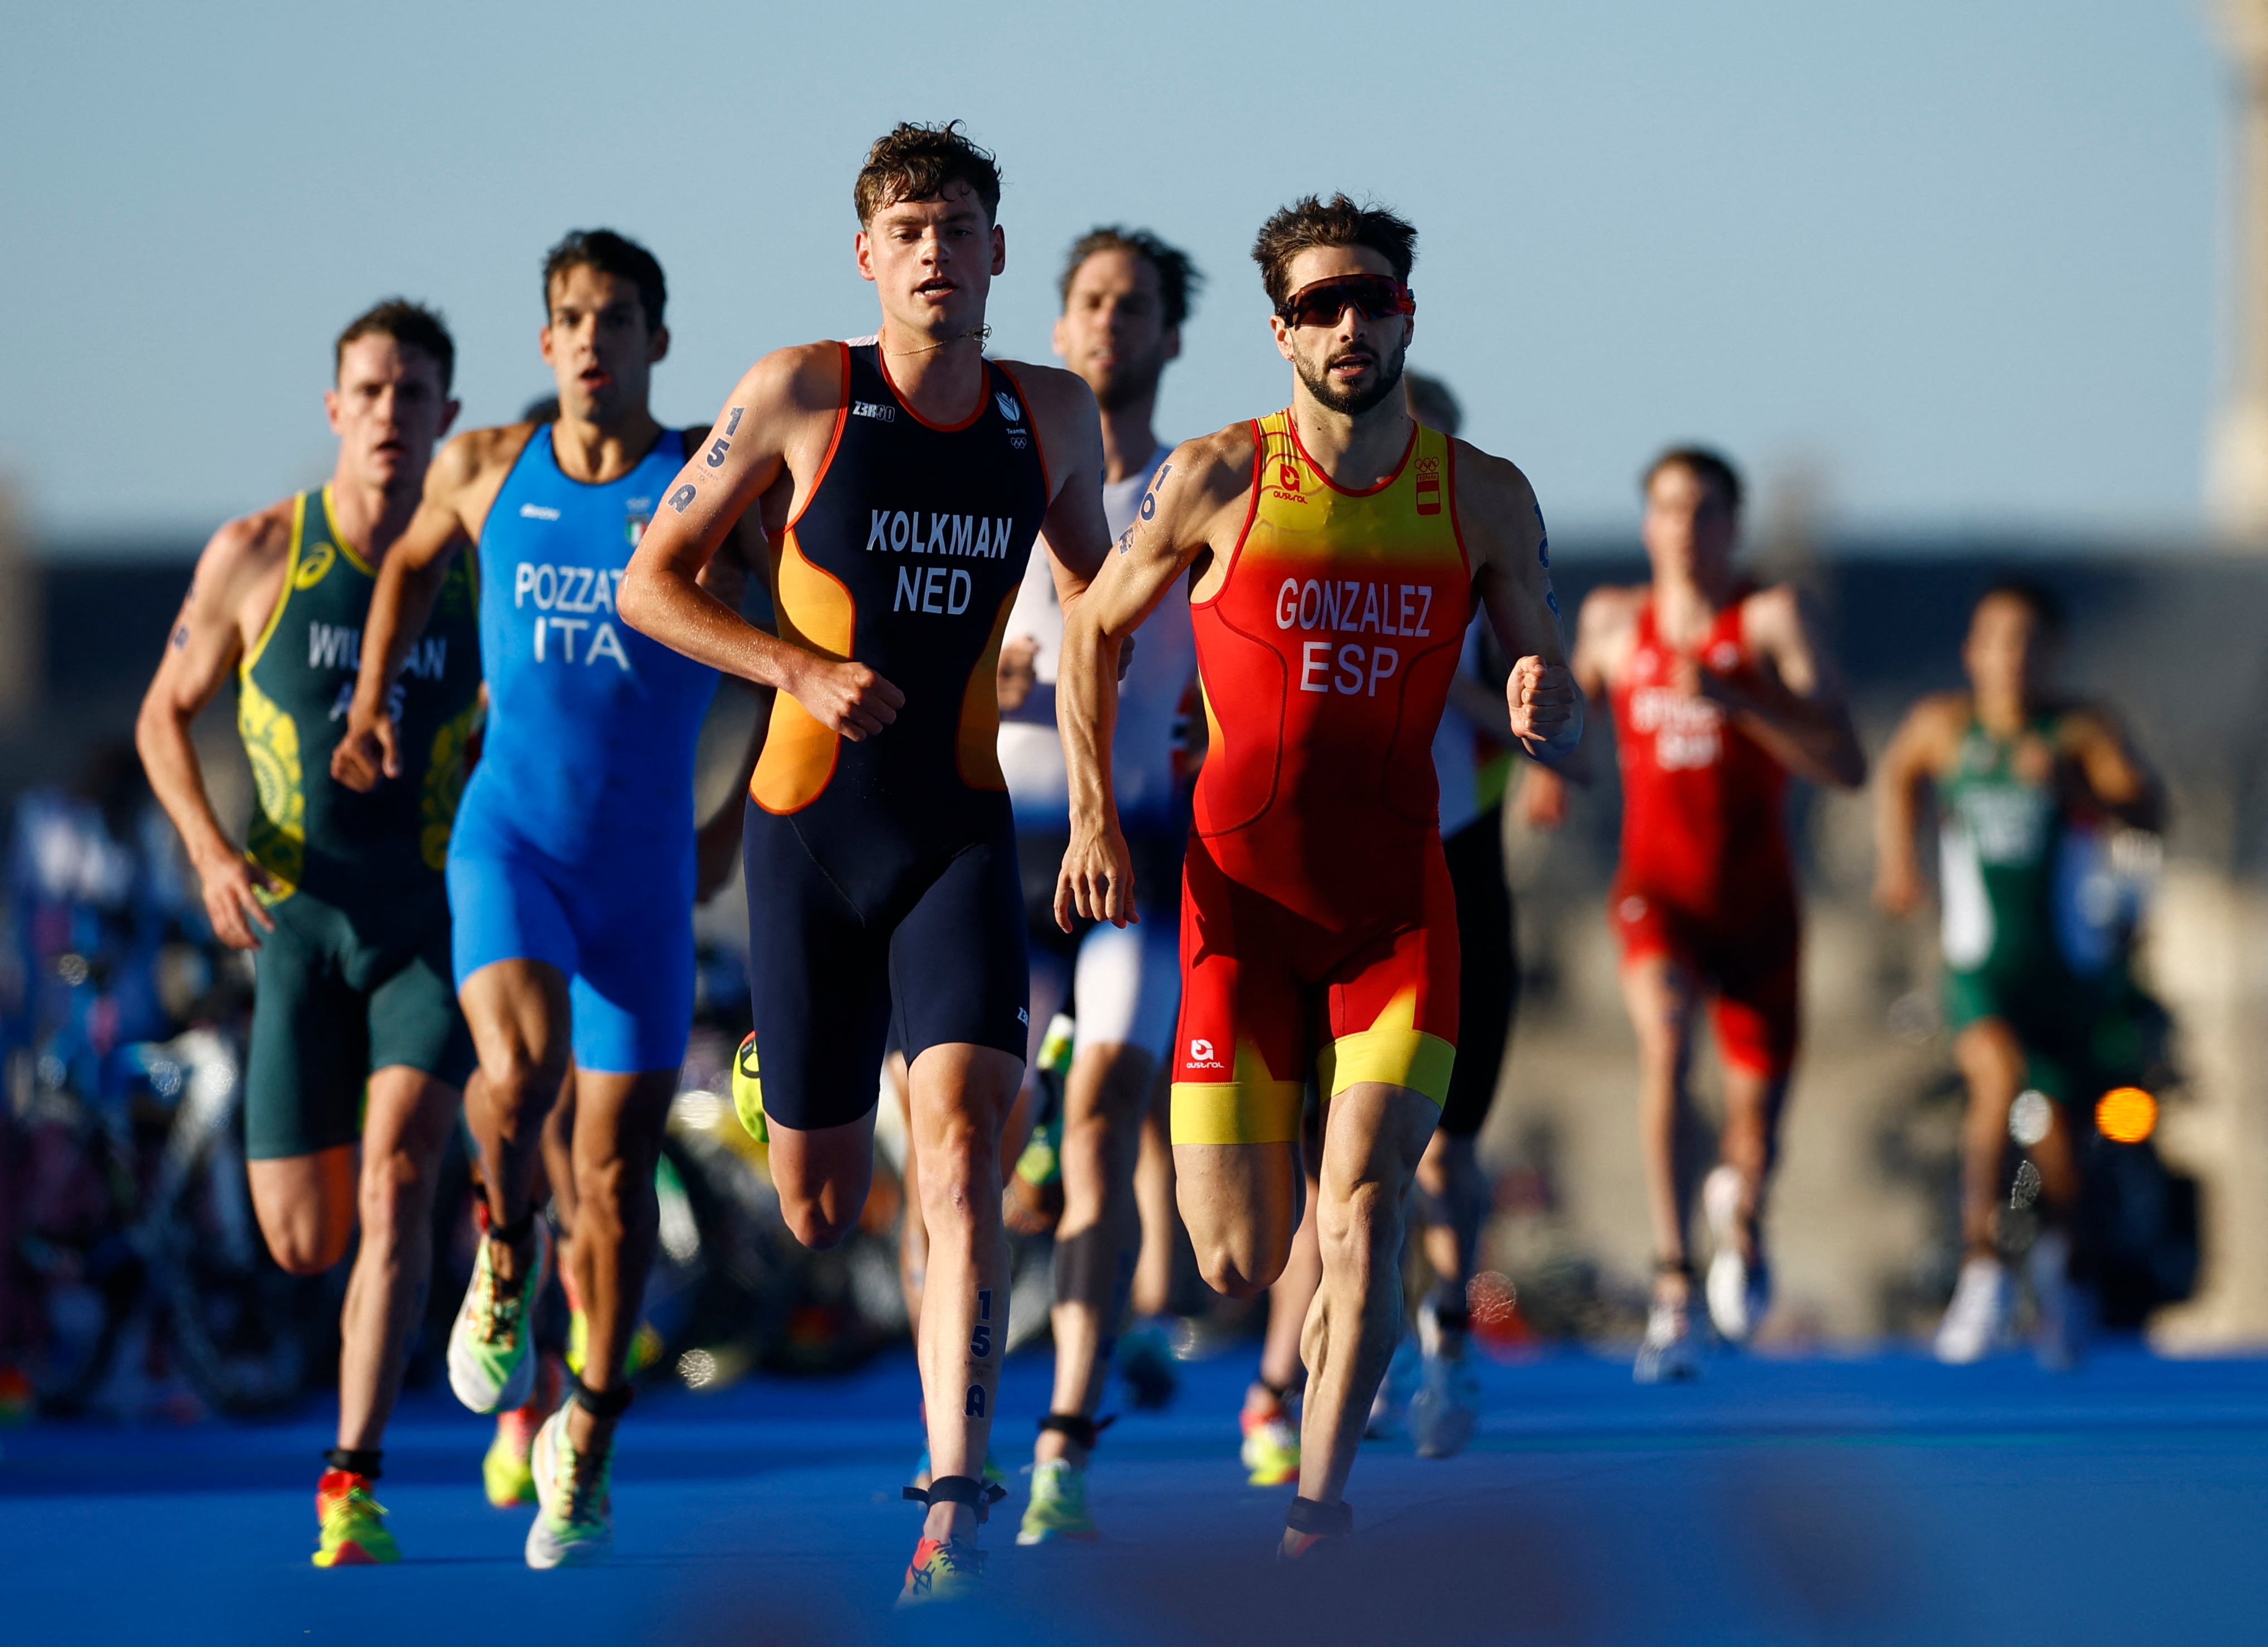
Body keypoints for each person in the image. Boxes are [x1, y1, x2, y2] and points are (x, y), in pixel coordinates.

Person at [615, 123, 1113, 1603]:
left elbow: (1101, 609)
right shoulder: (799, 393)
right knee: (825, 1204)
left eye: (960, 226)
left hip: (960, 831)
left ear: (998, 253)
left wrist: (1092, 788)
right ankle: (787, 1069)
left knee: (957, 1148)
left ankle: (954, 1486)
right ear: (867, 257)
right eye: (908, 228)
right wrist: (794, 666)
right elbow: (653, 585)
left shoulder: (1051, 415)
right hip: (808, 830)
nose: (936, 251)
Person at [1055, 194, 1581, 1558]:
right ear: (1280, 331)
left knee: (1364, 1206)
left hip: (1399, 905)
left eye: (1372, 300)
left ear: (1407, 312)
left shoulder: (1481, 493)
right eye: (1319, 306)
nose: (1349, 325)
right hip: (1238, 907)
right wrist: (1095, 816)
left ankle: (1319, 1510)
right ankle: (1322, 1338)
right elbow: (1089, 631)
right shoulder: (1219, 476)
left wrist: (1540, 695)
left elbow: (1546, 663)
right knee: (1235, 1255)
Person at [332, 233, 758, 1568]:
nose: (590, 341)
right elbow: (403, 564)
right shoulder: (484, 466)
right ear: (544, 343)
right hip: (508, 839)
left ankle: (588, 1425)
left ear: (656, 340)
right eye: (569, 318)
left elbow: (769, 658)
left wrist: (725, 817)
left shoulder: (701, 483)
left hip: (642, 871)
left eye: (616, 318)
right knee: (513, 1078)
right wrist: (371, 708)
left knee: (618, 1178)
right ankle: (501, 1255)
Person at [136, 301, 480, 1566]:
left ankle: (355, 1479)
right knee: (305, 1238)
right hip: (294, 921)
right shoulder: (259, 551)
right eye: (372, 392)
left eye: (416, 395)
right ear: (336, 409)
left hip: (427, 922)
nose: (393, 414)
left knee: (398, 1181)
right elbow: (161, 719)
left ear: (448, 418)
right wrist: (210, 854)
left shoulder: (480, 561)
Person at [1519, 448, 1865, 1383]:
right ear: (1647, 525)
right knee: (1665, 1045)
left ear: (1732, 526)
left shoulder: (1770, 621)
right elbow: (1569, 724)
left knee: (1758, 1134)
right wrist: (1548, 765)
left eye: (1705, 510)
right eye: (1668, 509)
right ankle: (1675, 1282)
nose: (1685, 527)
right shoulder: (1610, 620)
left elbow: (1846, 763)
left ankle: (1742, 1216)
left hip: (1758, 906)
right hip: (1656, 893)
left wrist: (1741, 702)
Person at [992, 225, 1204, 1547]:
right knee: (983, 1129)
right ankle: (957, 1416)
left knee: (1107, 1114)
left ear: (1171, 336)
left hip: (1136, 845)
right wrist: (986, 682)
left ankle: (1065, 1429)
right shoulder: (1000, 477)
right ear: (1059, 326)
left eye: (1134, 307)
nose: (1109, 324)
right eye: (1088, 302)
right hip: (1000, 842)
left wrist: (1217, 729)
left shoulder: (1202, 489)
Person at [1874, 578, 2162, 1367]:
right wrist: (1899, 862)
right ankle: (1979, 1268)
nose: (2009, 659)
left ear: (2053, 654)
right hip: (1979, 967)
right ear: (1972, 650)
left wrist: (2083, 791)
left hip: (2067, 969)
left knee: (2060, 1145)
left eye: (2028, 643)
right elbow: (1897, 774)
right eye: (1994, 641)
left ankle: (2062, 1270)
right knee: (1995, 1082)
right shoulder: (1943, 728)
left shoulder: (2079, 731)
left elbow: (2149, 808)